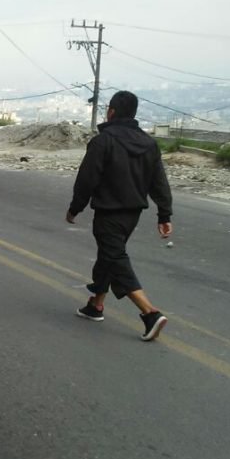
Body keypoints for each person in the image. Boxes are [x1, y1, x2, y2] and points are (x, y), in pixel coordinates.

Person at [67, 90, 173, 342]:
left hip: (109, 212)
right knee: (109, 256)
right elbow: (159, 182)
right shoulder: (149, 143)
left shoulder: (103, 141)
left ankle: (150, 313)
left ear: (111, 111)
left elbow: (87, 179)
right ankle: (96, 305)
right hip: (133, 214)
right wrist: (164, 214)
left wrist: (75, 208)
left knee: (115, 257)